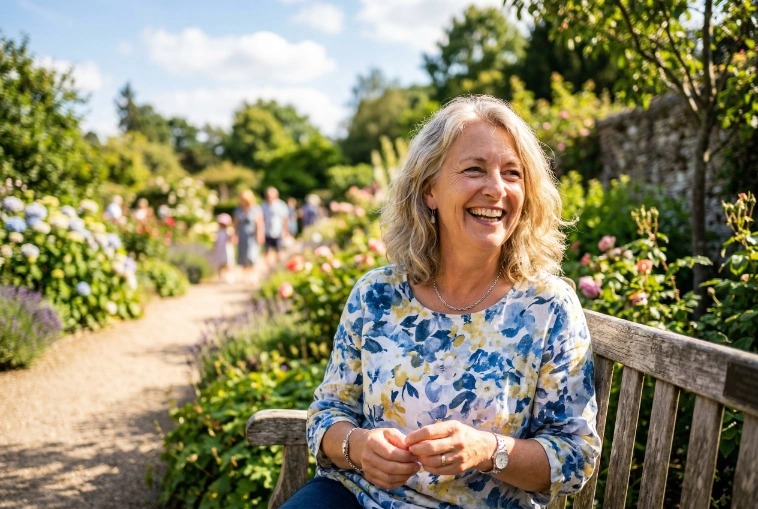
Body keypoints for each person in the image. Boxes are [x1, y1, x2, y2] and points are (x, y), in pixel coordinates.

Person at [286, 96, 600, 509]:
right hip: (356, 499)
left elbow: (575, 456)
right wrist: (358, 447)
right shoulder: (376, 294)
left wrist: (489, 450)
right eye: (474, 169)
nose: (496, 189)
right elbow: (328, 412)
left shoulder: (548, 307)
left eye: (512, 174)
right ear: (429, 189)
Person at [233, 190, 264, 285]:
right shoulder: (238, 210)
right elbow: (236, 224)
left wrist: (260, 234)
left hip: (252, 235)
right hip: (242, 234)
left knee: (252, 255)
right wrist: (235, 235)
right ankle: (245, 276)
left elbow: (260, 223)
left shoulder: (256, 209)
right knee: (242, 255)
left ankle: (252, 275)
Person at [261, 187, 290, 267]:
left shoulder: (281, 205)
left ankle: (278, 267)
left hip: (278, 232)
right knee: (267, 252)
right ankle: (269, 268)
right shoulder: (264, 205)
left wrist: (286, 231)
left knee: (279, 251)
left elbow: (285, 219)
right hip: (266, 232)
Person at [211, 213, 235, 283]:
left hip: (227, 250)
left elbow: (232, 240)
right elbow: (215, 241)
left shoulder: (229, 231)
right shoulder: (218, 231)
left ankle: (229, 276)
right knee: (220, 265)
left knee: (228, 264)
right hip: (219, 249)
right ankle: (220, 277)